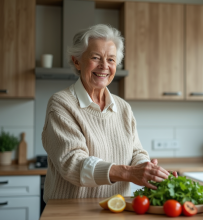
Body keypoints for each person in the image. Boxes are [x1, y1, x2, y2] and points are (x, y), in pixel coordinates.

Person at [42, 24, 176, 203]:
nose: (104, 66)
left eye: (111, 60)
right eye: (96, 57)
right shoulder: (61, 103)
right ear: (77, 61)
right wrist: (129, 173)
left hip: (117, 209)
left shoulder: (123, 108)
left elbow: (136, 152)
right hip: (71, 211)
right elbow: (72, 164)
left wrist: (148, 170)